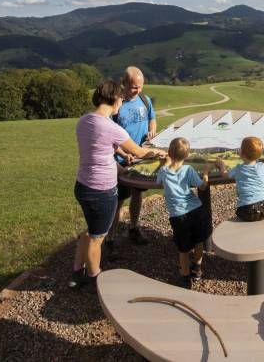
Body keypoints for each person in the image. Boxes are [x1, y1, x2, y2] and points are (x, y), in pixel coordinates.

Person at [69, 79, 165, 289]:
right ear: (114, 99)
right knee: (97, 238)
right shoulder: (113, 128)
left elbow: (100, 150)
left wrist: (121, 164)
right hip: (101, 190)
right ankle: (95, 279)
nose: (122, 102)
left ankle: (77, 272)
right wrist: (160, 153)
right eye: (121, 98)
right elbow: (139, 151)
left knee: (90, 230)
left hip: (83, 185)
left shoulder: (84, 120)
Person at [107, 66, 157, 249]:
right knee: (118, 200)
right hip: (121, 162)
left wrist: (152, 129)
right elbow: (109, 135)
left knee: (138, 194)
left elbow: (152, 118)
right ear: (124, 84)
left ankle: (134, 228)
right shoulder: (116, 105)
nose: (138, 90)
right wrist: (122, 153)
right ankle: (110, 239)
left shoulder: (145, 100)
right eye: (134, 87)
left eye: (141, 86)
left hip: (140, 158)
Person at [156, 137, 213, 289]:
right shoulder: (188, 170)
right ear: (187, 156)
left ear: (168, 152)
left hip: (178, 216)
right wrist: (206, 173)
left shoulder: (163, 172)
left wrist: (166, 163)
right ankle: (198, 268)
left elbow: (158, 181)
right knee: (199, 241)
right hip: (196, 211)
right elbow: (202, 187)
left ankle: (185, 278)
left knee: (183, 249)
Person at [216, 136, 264, 221]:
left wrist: (221, 166)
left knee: (242, 214)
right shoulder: (262, 166)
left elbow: (225, 175)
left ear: (242, 153)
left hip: (248, 210)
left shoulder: (238, 169)